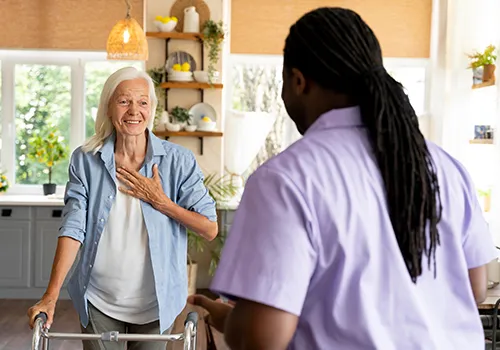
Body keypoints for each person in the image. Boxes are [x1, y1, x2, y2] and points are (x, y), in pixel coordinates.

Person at [188, 7, 498, 350]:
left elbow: (261, 337)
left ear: (298, 81)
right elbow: (474, 289)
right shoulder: (445, 168)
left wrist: (229, 320)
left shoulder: (286, 179)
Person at [27, 67, 218, 350]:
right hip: (99, 301)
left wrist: (161, 202)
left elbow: (209, 228)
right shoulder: (85, 160)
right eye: (124, 101)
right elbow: (73, 227)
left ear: (151, 108)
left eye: (142, 102)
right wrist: (50, 296)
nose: (134, 111)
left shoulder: (178, 161)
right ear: (108, 105)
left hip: (157, 303)